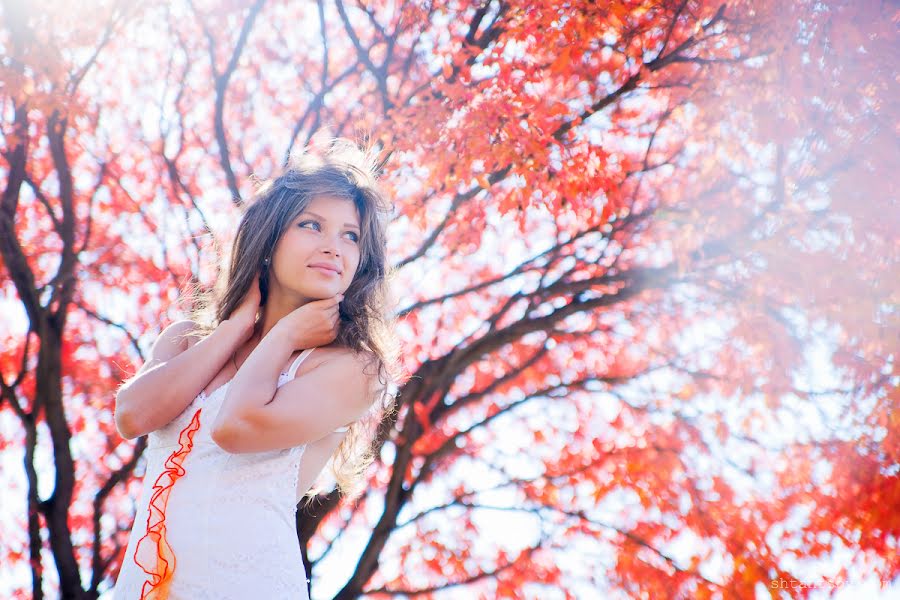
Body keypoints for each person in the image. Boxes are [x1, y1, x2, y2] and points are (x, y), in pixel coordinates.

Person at [112, 139, 401, 599]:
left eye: (351, 235)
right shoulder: (187, 338)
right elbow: (132, 415)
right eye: (312, 225)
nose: (334, 247)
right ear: (269, 238)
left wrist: (284, 336)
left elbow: (237, 426)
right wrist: (235, 328)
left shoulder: (353, 368)